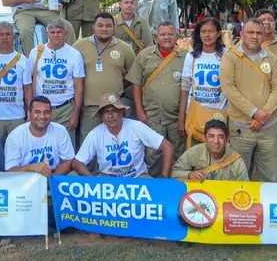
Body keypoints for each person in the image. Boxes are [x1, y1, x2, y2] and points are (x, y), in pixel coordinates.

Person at [221, 17, 277, 182]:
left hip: (268, 128)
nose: (254, 37)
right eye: (250, 32)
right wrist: (254, 112)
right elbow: (229, 88)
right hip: (241, 128)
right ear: (242, 34)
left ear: (264, 36)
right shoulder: (230, 58)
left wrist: (263, 115)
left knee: (270, 176)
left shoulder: (272, 59)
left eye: (259, 33)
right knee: (238, 176)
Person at [129, 22, 186, 177]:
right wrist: (139, 111)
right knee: (152, 154)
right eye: (163, 34)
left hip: (177, 118)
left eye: (170, 34)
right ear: (156, 37)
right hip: (152, 116)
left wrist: (183, 117)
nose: (167, 37)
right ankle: (154, 185)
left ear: (176, 36)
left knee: (178, 154)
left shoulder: (185, 56)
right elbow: (136, 84)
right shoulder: (145, 55)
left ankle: (175, 185)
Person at [76, 94, 174, 177]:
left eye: (114, 110)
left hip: (138, 176)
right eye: (106, 112)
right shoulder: (95, 134)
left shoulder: (136, 127)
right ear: (101, 116)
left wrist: (164, 178)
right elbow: (77, 162)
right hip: (107, 180)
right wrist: (93, 181)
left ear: (122, 112)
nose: (110, 116)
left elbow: (167, 147)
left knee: (156, 191)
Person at [74, 12, 135, 142]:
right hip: (89, 108)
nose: (104, 29)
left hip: (115, 108)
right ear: (93, 27)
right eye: (100, 25)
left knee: (114, 144)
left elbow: (133, 77)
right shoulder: (79, 46)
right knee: (89, 146)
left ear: (114, 28)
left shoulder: (125, 49)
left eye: (108, 26)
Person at [22, 19, 85, 133]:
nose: (56, 35)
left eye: (59, 32)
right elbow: (27, 83)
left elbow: (79, 85)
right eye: (53, 32)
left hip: (65, 109)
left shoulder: (75, 55)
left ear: (66, 34)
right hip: (40, 110)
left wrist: (75, 114)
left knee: (65, 141)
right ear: (47, 34)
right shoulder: (36, 52)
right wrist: (30, 109)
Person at [5, 96, 92, 176]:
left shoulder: (60, 131)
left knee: (74, 175)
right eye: (37, 112)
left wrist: (51, 178)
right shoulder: (15, 136)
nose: (42, 116)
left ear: (51, 115)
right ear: (29, 114)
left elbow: (68, 161)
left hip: (54, 174)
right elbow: (10, 170)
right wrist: (32, 168)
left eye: (46, 112)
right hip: (26, 179)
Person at [179, 16, 227, 148]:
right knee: (196, 152)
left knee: (217, 150)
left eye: (211, 31)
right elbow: (185, 87)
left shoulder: (226, 55)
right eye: (203, 31)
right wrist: (181, 117)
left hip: (219, 112)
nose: (207, 35)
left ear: (218, 33)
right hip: (195, 113)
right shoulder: (192, 56)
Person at [171, 119, 249, 181]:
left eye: (221, 137)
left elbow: (245, 187)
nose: (216, 141)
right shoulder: (193, 153)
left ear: (227, 139)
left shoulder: (236, 161)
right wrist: (189, 175)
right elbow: (174, 174)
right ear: (204, 138)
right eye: (211, 136)